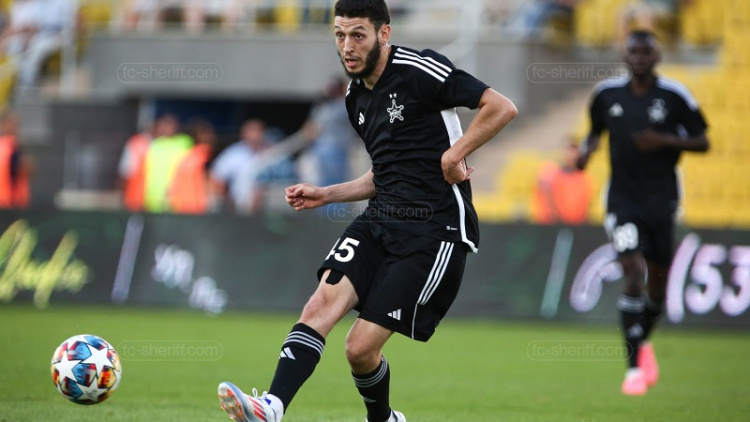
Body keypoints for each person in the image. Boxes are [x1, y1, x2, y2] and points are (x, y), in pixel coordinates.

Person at [216, 1, 518, 421]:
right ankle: (271, 406)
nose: (347, 46)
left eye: (357, 34)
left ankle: (383, 419)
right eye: (339, 35)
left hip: (434, 230)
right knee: (320, 304)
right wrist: (326, 194)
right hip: (380, 219)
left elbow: (501, 106)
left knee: (359, 350)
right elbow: (383, 173)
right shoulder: (355, 97)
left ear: (384, 34)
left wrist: (455, 154)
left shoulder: (419, 69)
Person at [576, 29, 709, 396]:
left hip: (663, 201)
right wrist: (586, 152)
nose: (639, 56)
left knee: (658, 289)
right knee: (632, 270)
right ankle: (633, 369)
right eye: (633, 51)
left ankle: (643, 340)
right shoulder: (606, 94)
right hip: (622, 200)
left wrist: (665, 139)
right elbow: (594, 133)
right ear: (626, 55)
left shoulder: (674, 95)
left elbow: (703, 140)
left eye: (646, 51)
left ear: (656, 55)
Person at [209, 118, 272, 214]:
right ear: (244, 133)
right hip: (239, 209)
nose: (255, 134)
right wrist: (225, 201)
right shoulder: (234, 154)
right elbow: (217, 177)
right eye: (251, 130)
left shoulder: (272, 152)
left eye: (258, 130)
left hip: (268, 210)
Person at [531, 140, 594, 225]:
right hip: (553, 226)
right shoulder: (551, 174)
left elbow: (585, 205)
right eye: (569, 150)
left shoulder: (584, 178)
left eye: (574, 151)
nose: (572, 155)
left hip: (577, 226)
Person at [141, 113, 193, 213]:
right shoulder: (154, 145)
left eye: (169, 125)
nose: (165, 128)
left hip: (177, 201)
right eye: (163, 125)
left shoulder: (184, 143)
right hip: (153, 200)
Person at [168, 118, 216, 214]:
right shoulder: (203, 155)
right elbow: (210, 184)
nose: (211, 137)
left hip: (182, 208)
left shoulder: (187, 156)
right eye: (206, 133)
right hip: (198, 210)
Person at [0, 110, 31, 208]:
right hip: (7, 202)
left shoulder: (17, 146)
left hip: (15, 203)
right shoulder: (11, 147)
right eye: (10, 122)